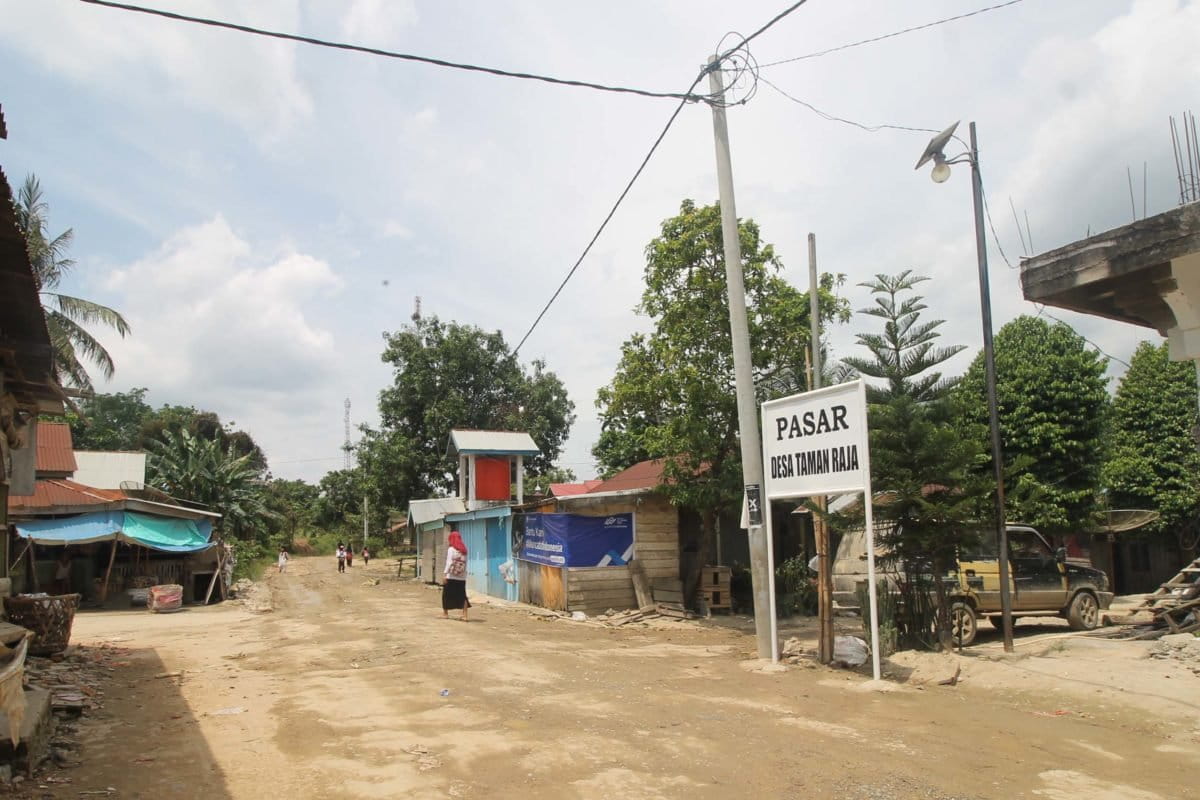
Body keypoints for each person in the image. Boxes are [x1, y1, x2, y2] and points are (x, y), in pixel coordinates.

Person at [442, 530, 470, 621]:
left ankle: (445, 614)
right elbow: (465, 563)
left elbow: (449, 562)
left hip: (451, 576)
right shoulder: (464, 550)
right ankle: (465, 615)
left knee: (446, 595)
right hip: (462, 577)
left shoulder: (451, 549)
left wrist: (445, 574)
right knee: (463, 595)